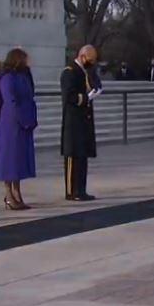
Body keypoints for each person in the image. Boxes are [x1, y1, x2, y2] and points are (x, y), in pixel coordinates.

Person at [0, 48, 37, 209]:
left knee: (18, 161)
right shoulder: (7, 78)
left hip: (24, 121)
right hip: (12, 124)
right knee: (9, 160)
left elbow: (30, 96)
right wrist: (21, 119)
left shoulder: (23, 76)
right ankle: (9, 194)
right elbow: (10, 102)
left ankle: (17, 192)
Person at [60, 45, 98, 201]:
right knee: (73, 156)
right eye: (90, 60)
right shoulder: (69, 72)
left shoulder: (85, 72)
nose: (91, 63)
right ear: (82, 56)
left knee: (82, 156)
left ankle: (81, 189)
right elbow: (69, 96)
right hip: (73, 121)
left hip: (84, 120)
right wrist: (86, 97)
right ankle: (71, 191)